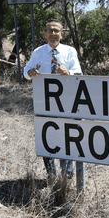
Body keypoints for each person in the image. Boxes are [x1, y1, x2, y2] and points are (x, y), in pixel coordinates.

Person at [23, 19, 82, 180]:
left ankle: (67, 174)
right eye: (50, 30)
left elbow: (79, 75)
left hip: (66, 102)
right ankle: (51, 173)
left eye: (57, 31)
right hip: (45, 102)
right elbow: (26, 70)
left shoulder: (70, 52)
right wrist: (30, 72)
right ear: (45, 34)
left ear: (62, 34)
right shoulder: (38, 52)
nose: (53, 34)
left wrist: (68, 73)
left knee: (66, 135)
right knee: (47, 135)